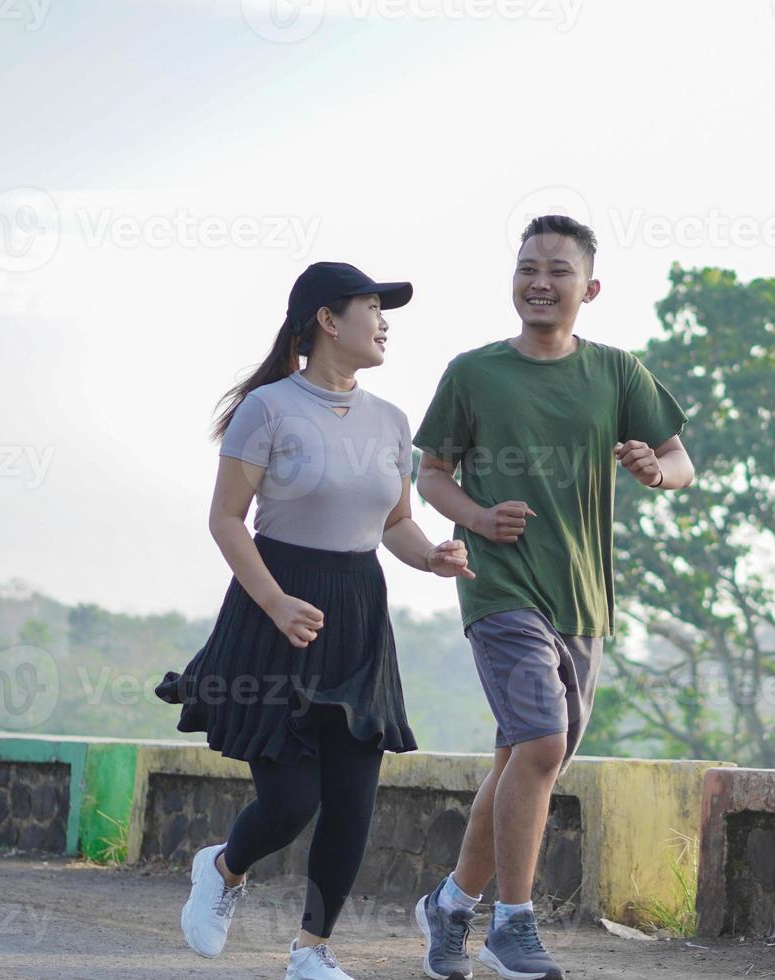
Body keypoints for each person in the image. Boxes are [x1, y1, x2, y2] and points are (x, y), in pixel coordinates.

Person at [154, 262, 473, 980]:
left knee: (354, 798)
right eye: (373, 308)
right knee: (292, 799)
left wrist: (434, 558)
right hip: (275, 607)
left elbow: (396, 525)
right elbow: (226, 519)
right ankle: (224, 868)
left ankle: (312, 951)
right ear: (329, 320)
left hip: (358, 612)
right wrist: (274, 601)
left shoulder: (391, 421)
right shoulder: (267, 408)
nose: (385, 322)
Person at [410, 215, 694, 980]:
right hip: (499, 589)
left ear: (589, 288)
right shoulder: (474, 372)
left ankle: (449, 904)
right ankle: (514, 922)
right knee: (539, 743)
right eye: (527, 267)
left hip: (582, 596)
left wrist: (654, 468)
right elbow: (430, 471)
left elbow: (679, 457)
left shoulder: (616, 372)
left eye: (558, 271)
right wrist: (474, 518)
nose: (540, 281)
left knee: (525, 759)